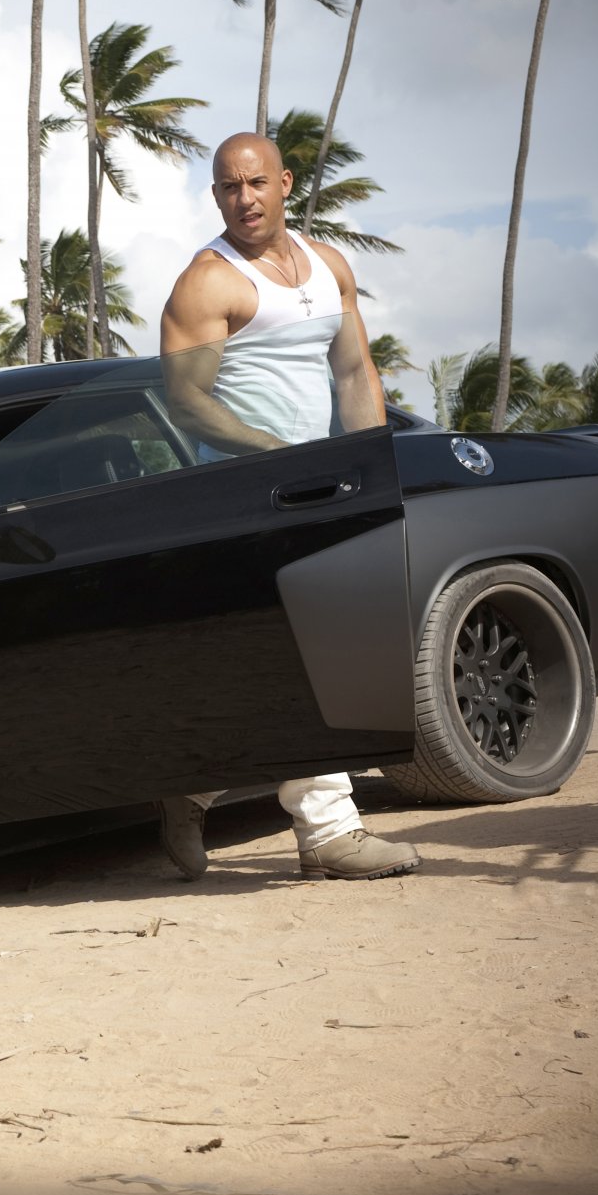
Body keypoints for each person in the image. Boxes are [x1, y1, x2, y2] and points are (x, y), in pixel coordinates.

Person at [154, 131, 421, 883]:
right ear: (216, 197)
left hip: (325, 488)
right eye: (229, 188)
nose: (245, 199)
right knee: (312, 658)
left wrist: (370, 474)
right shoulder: (208, 283)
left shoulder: (329, 265)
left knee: (297, 660)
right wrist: (276, 457)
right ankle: (331, 834)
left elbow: (354, 371)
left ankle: (191, 782)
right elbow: (186, 401)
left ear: (285, 183)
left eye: (256, 183)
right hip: (247, 494)